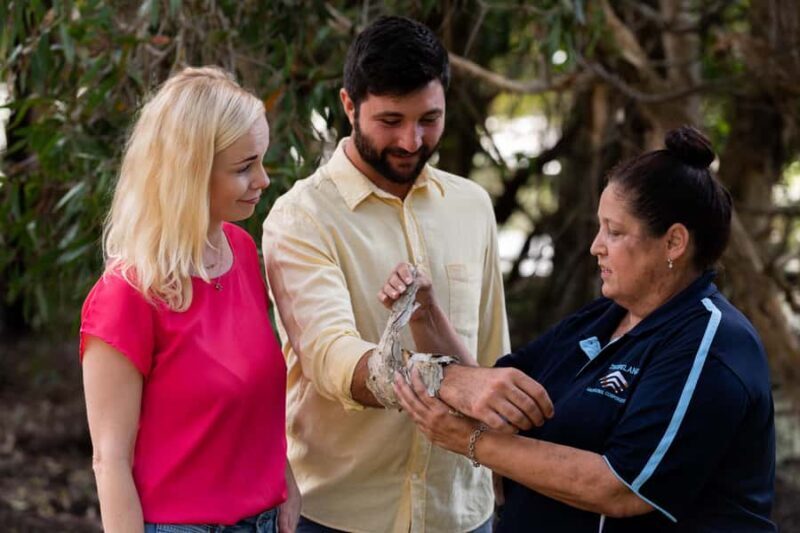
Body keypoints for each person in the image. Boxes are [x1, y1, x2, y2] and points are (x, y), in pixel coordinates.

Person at [388, 126, 776, 532]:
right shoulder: (603, 316)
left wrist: (472, 441)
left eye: (615, 231)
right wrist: (424, 314)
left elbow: (620, 487)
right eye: (599, 227)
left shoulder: (711, 343)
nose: (596, 246)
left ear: (674, 242)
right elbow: (494, 396)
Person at [262, 15, 550, 533]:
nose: (412, 141)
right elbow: (329, 356)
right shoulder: (301, 216)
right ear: (349, 105)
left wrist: (503, 463)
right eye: (390, 120)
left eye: (429, 119)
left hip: (460, 511)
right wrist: (447, 383)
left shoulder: (472, 205)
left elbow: (490, 345)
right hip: (340, 514)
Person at [80, 66, 301, 533]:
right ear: (190, 173)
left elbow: (254, 398)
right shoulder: (127, 294)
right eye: (244, 168)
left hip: (265, 520)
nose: (263, 179)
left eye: (260, 160)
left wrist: (286, 482)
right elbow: (109, 461)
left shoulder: (241, 251)